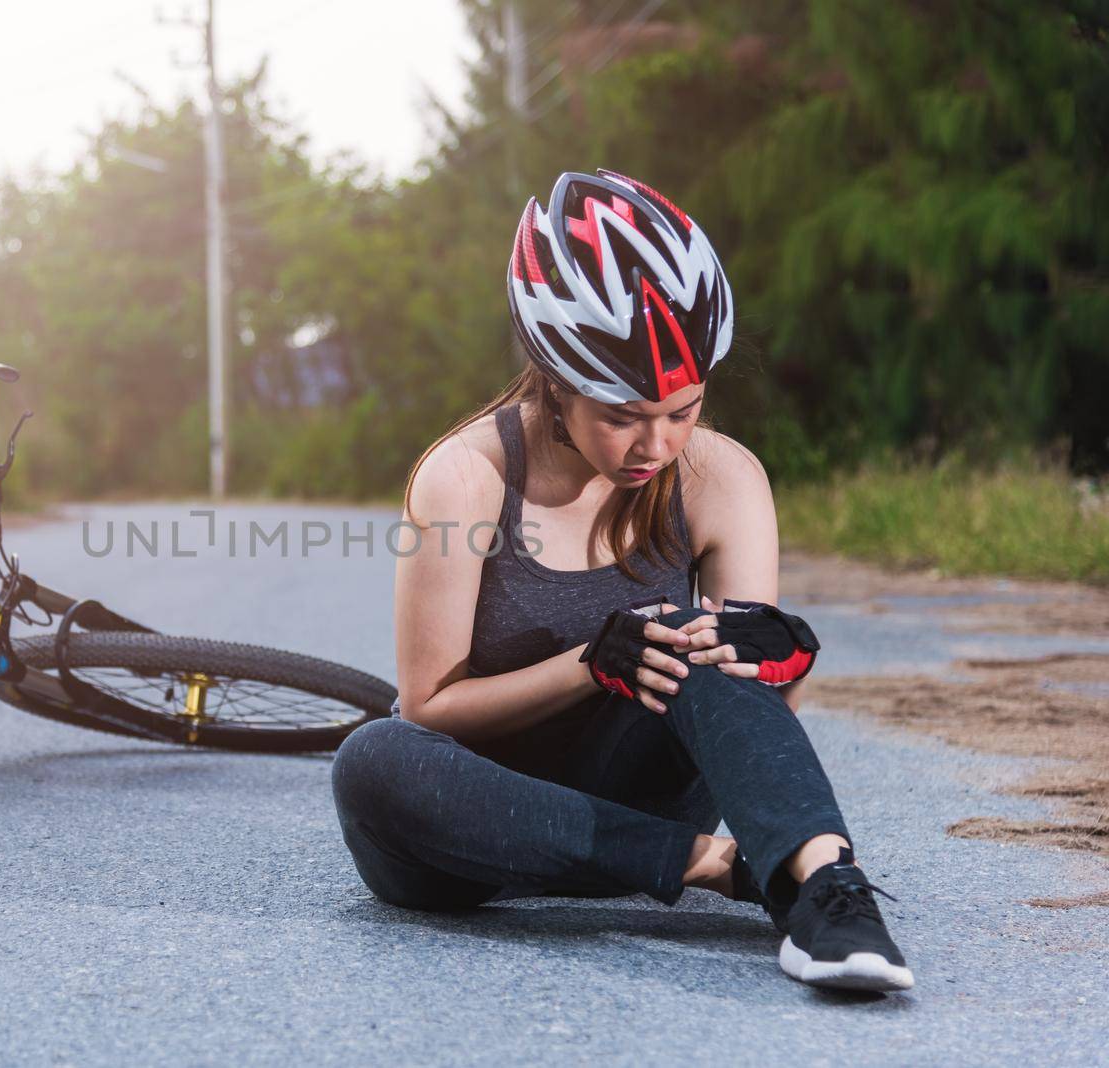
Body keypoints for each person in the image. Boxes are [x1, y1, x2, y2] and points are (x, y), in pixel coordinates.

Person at [331, 169, 914, 993]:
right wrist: (588, 664)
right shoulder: (461, 478)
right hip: (470, 837)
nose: (658, 445)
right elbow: (431, 704)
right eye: (622, 417)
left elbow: (750, 719)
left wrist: (775, 658)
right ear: (554, 382)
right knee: (371, 758)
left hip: (642, 798)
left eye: (683, 410)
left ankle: (824, 890)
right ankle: (726, 870)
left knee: (703, 653)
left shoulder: (724, 478)